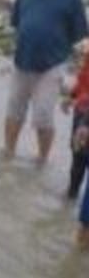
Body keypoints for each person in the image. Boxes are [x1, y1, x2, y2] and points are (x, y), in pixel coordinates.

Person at [4, 0, 89, 166]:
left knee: (42, 115)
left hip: (52, 65)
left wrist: (74, 62)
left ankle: (42, 159)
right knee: (14, 110)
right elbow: (17, 24)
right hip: (22, 61)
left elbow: (80, 35)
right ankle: (7, 154)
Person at [63, 41, 89, 199]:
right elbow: (84, 79)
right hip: (82, 110)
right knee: (77, 157)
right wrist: (72, 95)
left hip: (84, 110)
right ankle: (70, 198)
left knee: (80, 156)